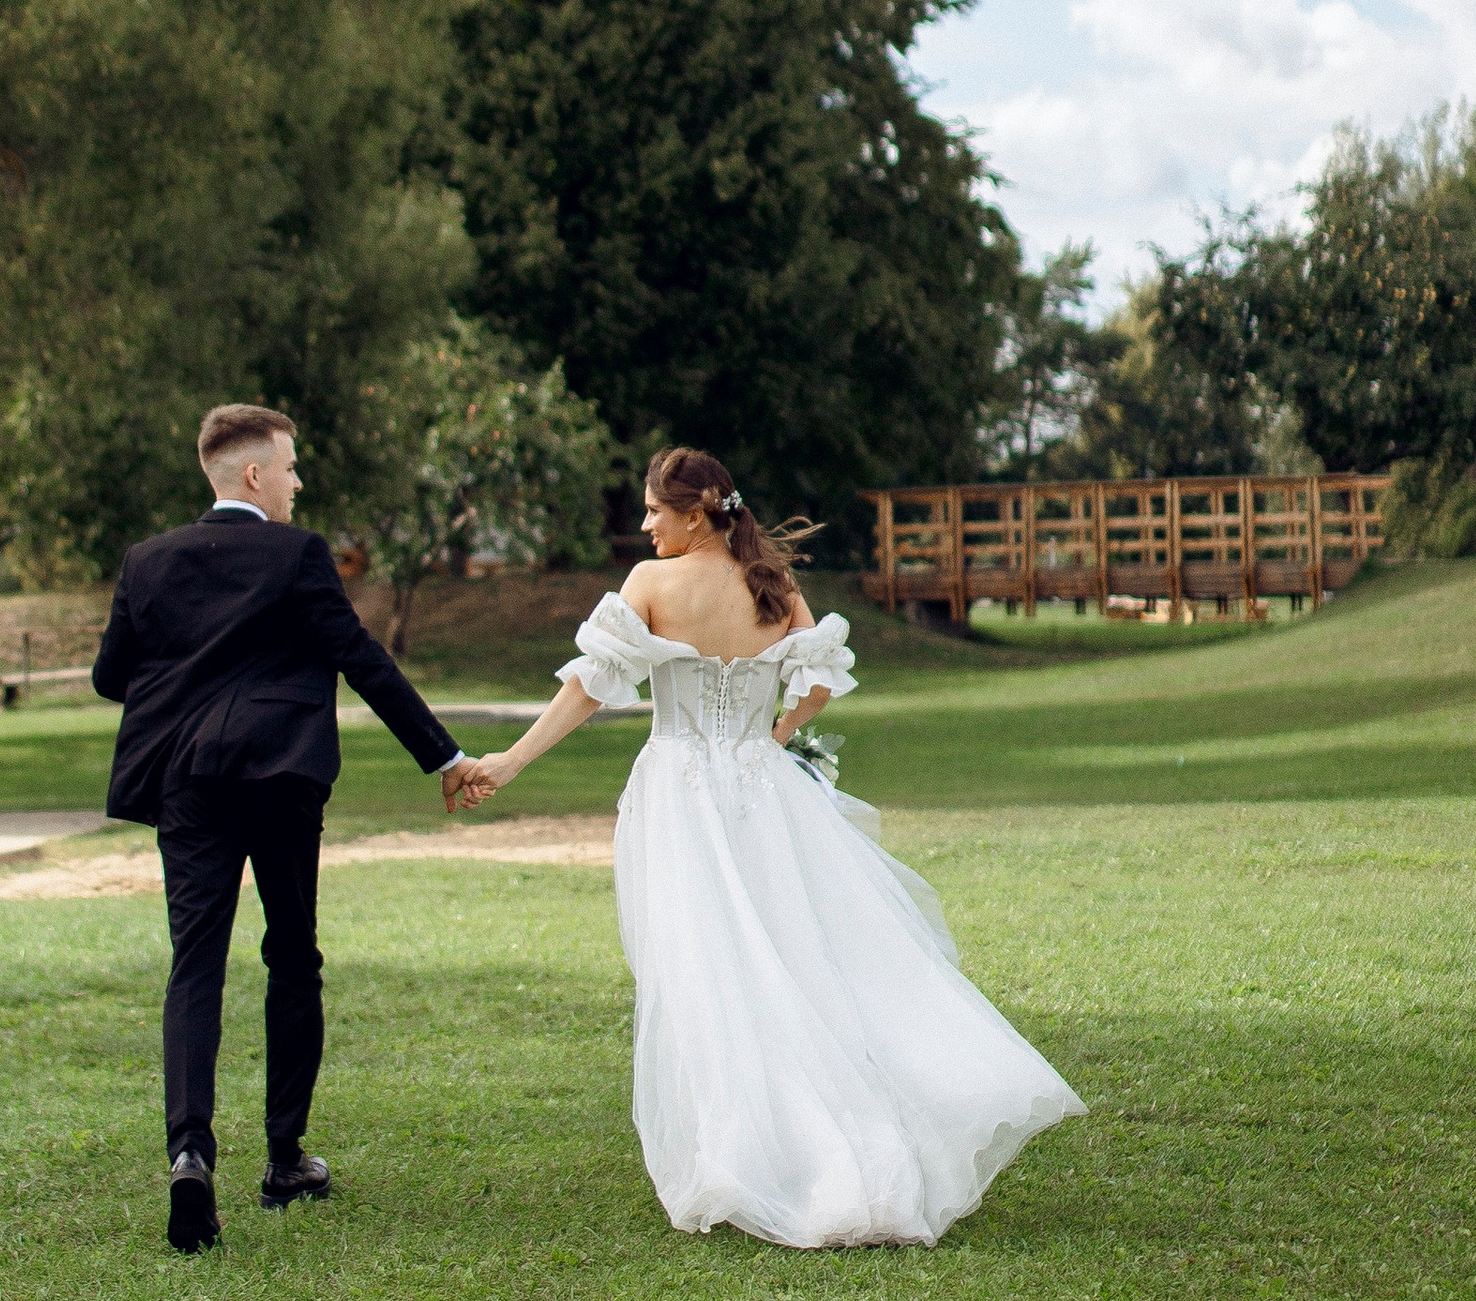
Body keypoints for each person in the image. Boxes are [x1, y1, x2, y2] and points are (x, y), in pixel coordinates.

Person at [458, 442, 1083, 1248]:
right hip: (764, 793)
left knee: (704, 971)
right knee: (793, 963)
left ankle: (741, 1158)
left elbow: (587, 687)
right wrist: (773, 735)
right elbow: (820, 677)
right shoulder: (773, 583)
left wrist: (507, 762)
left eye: (654, 509)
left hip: (681, 793)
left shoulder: (651, 585)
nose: (644, 525)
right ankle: (822, 1152)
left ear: (694, 512)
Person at [92, 402, 485, 1252]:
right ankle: (282, 1157)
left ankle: (190, 1153)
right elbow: (361, 657)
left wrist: (194, 686)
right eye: (293, 467)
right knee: (291, 952)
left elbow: (109, 675)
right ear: (254, 474)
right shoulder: (296, 555)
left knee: (193, 961)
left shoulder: (148, 560)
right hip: (280, 773)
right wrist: (443, 757)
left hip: (186, 781)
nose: (300, 482)